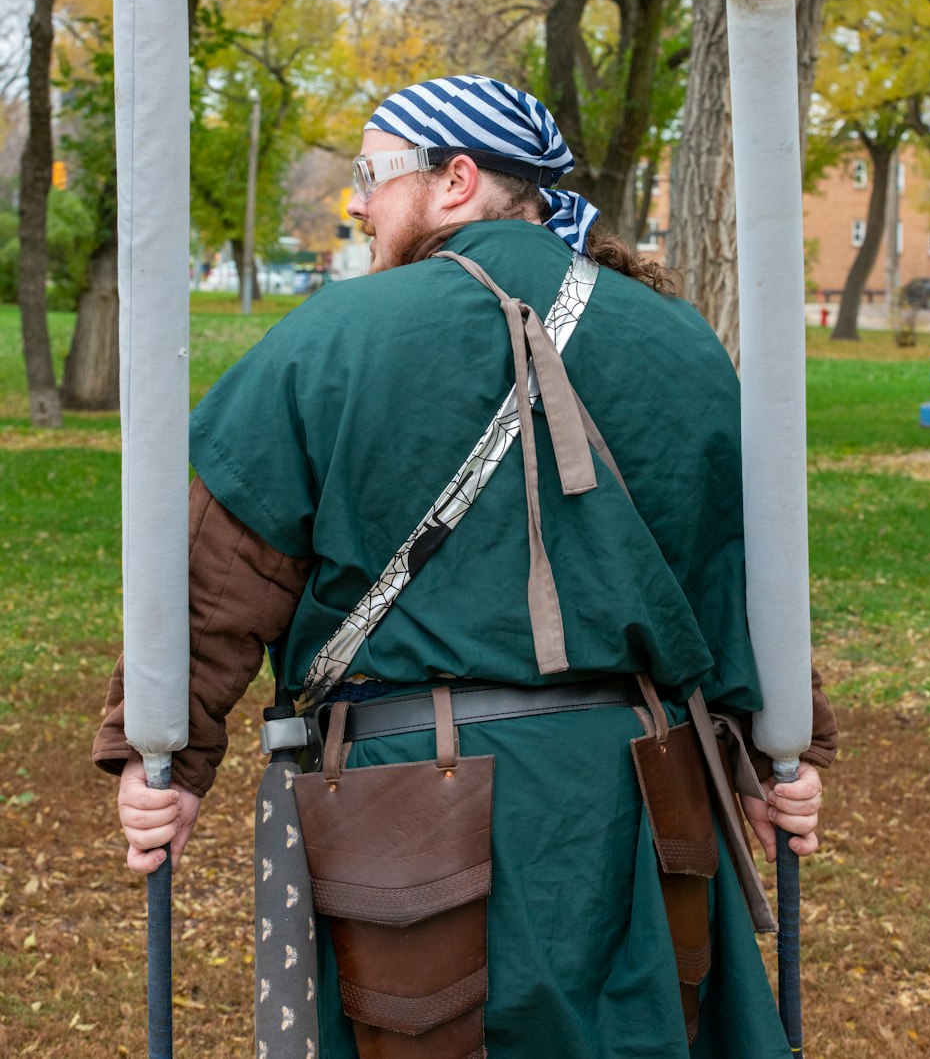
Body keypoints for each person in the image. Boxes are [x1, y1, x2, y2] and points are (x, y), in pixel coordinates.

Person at [95, 73, 836, 1058]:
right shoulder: (679, 341)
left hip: (405, 799)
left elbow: (221, 574)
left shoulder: (330, 337)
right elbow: (737, 576)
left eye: (370, 174)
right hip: (641, 792)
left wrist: (169, 763)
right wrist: (771, 748)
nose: (354, 202)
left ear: (454, 180)